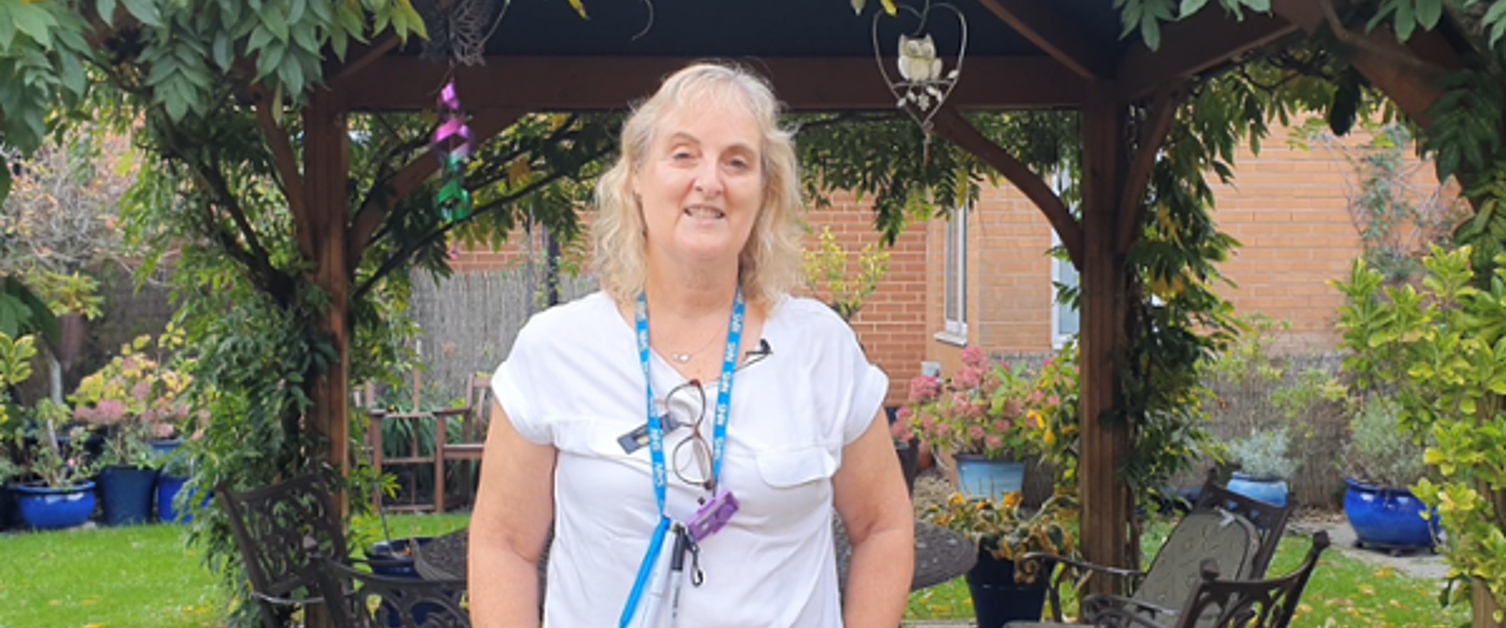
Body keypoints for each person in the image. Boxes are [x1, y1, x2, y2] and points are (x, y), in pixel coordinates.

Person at [469, 61, 914, 628]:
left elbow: (884, 526)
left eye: (737, 161)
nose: (710, 182)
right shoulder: (555, 349)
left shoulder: (820, 348)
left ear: (764, 191)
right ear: (635, 175)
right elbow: (502, 545)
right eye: (683, 155)